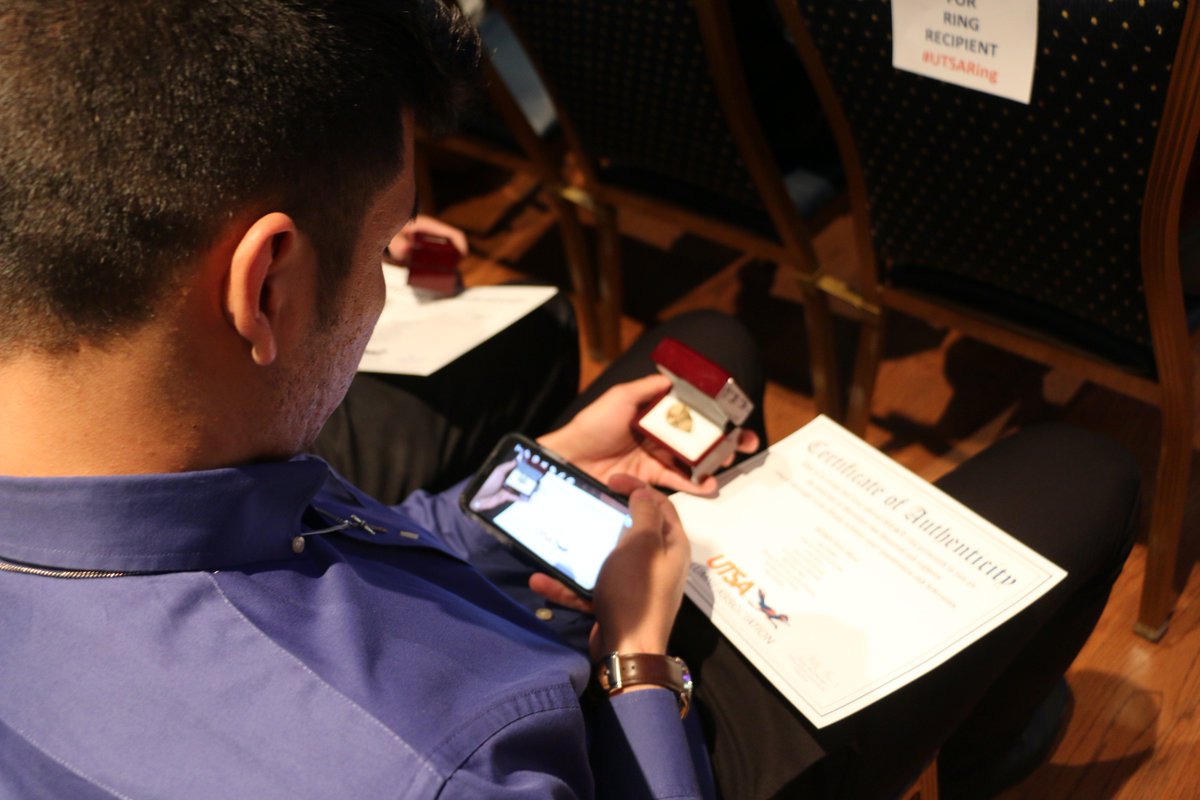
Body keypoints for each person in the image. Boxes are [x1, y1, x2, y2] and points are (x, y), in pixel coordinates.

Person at [0, 1, 1139, 799]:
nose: (394, 276)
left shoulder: (151, 450)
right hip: (624, 745)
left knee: (706, 350)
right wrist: (640, 650)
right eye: (386, 245)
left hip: (508, 649)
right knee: (1086, 474)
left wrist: (523, 478)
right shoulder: (431, 772)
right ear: (268, 288)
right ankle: (993, 747)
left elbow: (328, 555)